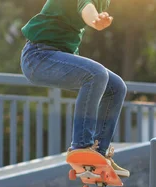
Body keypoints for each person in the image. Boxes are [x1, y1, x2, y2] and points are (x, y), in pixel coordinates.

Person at [19, 0, 130, 178]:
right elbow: (85, 7)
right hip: (38, 56)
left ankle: (99, 152)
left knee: (116, 87)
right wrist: (95, 19)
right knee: (96, 74)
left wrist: (97, 17)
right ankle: (81, 146)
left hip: (56, 56)